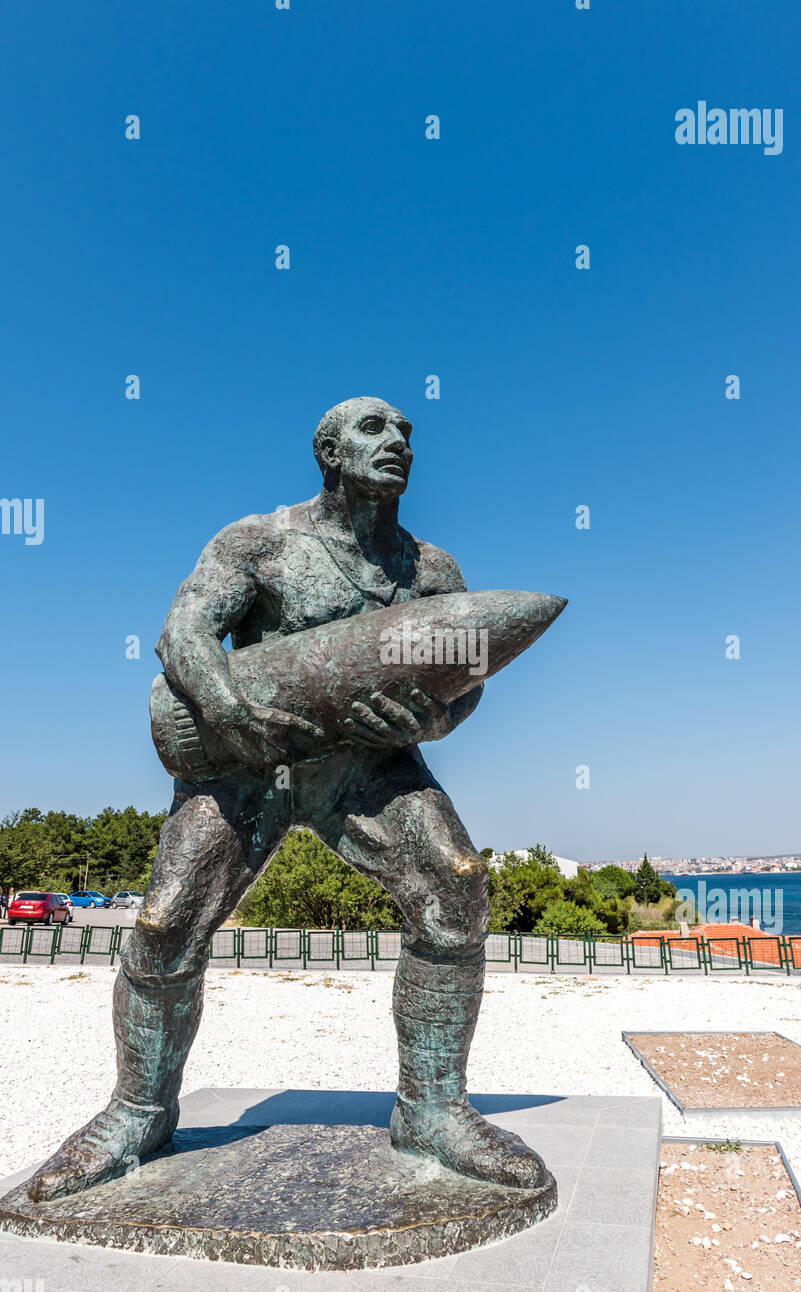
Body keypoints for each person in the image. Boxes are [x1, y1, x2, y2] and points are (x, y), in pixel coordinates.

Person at [28, 397, 547, 1202]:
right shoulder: (260, 541)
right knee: (166, 923)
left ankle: (433, 1108)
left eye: (407, 432)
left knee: (456, 884)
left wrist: (434, 719)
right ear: (329, 453)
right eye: (376, 430)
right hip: (247, 762)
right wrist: (233, 718)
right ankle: (137, 1110)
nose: (399, 442)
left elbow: (462, 684)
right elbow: (185, 633)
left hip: (366, 764)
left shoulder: (432, 573)